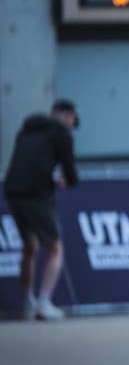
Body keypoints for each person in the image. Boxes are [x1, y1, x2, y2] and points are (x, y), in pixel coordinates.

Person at [3, 99, 79, 321]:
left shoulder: (28, 129)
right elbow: (69, 168)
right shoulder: (61, 133)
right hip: (37, 195)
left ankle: (28, 300)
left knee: (30, 246)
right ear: (66, 116)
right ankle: (44, 303)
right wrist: (68, 180)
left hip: (13, 191)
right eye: (73, 119)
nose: (73, 123)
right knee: (55, 248)